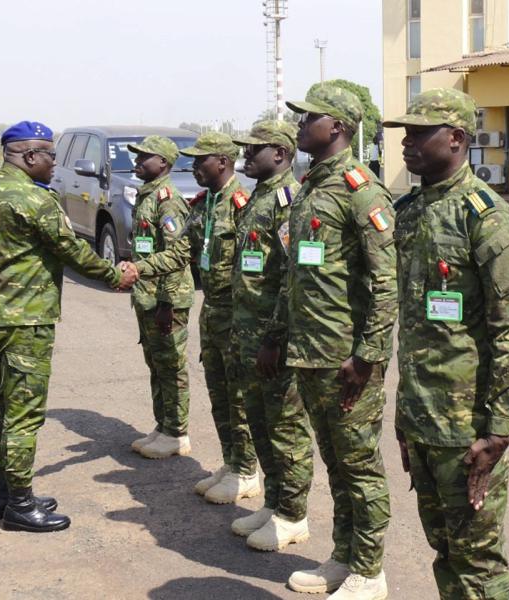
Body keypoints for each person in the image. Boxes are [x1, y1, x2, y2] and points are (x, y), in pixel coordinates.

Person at [382, 88, 509, 600]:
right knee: (444, 548)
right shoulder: (409, 210)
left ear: (457, 138)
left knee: (477, 560)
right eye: (406, 133)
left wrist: (498, 429)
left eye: (419, 132)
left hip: (466, 425)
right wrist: (404, 418)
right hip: (421, 417)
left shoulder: (485, 215)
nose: (407, 143)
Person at [0, 121, 138, 532]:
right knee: (24, 412)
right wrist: (116, 277)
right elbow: (73, 250)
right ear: (27, 156)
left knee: (5, 404)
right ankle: (21, 506)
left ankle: (5, 495)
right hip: (27, 318)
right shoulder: (34, 201)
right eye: (49, 156)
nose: (54, 164)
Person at [260, 83, 397, 599]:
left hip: (345, 358)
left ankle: (370, 570)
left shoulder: (360, 188)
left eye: (307, 118)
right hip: (309, 353)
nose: (298, 126)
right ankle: (344, 555)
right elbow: (295, 274)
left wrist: (368, 355)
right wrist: (277, 334)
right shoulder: (310, 187)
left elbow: (386, 282)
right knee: (336, 464)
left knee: (360, 466)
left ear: (337, 126)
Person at [228, 120, 315, 551]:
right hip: (248, 333)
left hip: (271, 338)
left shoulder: (287, 200)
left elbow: (289, 277)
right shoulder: (259, 197)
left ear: (280, 154)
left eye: (254, 148)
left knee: (285, 429)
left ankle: (293, 515)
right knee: (259, 423)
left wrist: (275, 338)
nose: (245, 155)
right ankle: (275, 503)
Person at [182, 132, 259, 504]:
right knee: (218, 393)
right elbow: (181, 250)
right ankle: (231, 461)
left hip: (239, 317)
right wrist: (133, 270)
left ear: (223, 162)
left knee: (240, 396)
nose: (194, 166)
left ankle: (247, 470)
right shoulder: (203, 204)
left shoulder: (243, 204)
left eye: (201, 160)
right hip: (211, 312)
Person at [125, 135, 195, 459]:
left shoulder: (168, 200)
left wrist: (166, 302)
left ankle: (178, 433)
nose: (137, 161)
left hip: (165, 299)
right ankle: (164, 424)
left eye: (144, 156)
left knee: (171, 366)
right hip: (147, 296)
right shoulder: (147, 195)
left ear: (164, 163)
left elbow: (177, 255)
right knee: (156, 364)